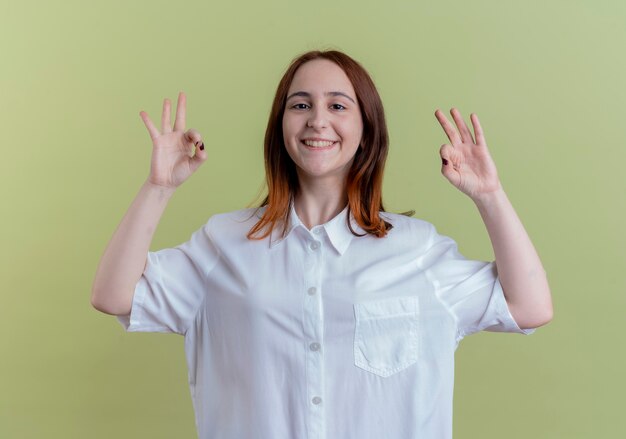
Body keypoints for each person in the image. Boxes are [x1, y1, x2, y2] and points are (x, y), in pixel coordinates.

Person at [91, 50, 553, 439]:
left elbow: (529, 306)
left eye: (337, 106)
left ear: (366, 128)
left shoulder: (417, 251)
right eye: (300, 105)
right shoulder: (223, 244)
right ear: (280, 127)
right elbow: (113, 296)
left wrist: (489, 196)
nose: (317, 120)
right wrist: (159, 187)